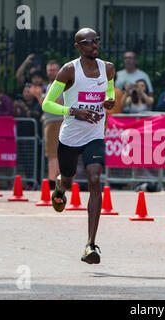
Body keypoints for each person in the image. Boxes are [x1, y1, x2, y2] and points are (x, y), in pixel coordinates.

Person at [42, 28, 115, 264]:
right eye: (88, 42)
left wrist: (109, 101)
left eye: (97, 40)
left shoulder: (109, 68)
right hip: (71, 137)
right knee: (68, 178)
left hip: (95, 134)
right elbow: (47, 104)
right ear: (78, 47)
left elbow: (110, 93)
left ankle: (90, 245)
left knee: (95, 179)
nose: (94, 45)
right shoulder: (69, 70)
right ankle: (60, 189)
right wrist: (73, 110)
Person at [41, 60, 65, 190]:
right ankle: (60, 182)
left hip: (55, 122)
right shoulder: (53, 84)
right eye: (49, 70)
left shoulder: (57, 84)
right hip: (53, 120)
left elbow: (53, 103)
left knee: (52, 154)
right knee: (57, 154)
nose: (51, 72)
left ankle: (51, 184)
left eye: (54, 70)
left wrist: (37, 97)